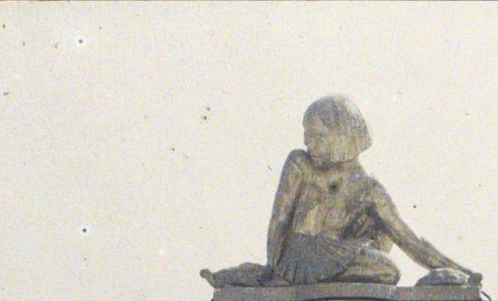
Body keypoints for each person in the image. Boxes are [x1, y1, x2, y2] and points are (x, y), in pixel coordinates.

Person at [204, 97, 477, 289]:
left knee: (388, 269)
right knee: (384, 269)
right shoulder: (300, 163)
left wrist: (460, 272)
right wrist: (274, 266)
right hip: (298, 254)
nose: (309, 143)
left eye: (319, 136)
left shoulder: (369, 188)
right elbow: (279, 221)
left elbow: (408, 238)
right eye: (307, 134)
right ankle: (290, 278)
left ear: (345, 135)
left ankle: (312, 281)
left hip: (337, 253)